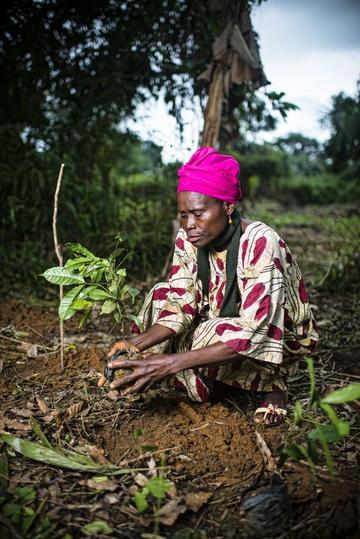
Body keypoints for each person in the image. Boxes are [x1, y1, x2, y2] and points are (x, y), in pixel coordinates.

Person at [99, 147, 318, 425]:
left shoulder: (260, 241)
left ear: (228, 206)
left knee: (206, 334)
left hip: (276, 337)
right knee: (160, 295)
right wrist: (134, 344)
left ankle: (271, 385)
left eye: (199, 213)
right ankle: (211, 377)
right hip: (219, 322)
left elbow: (257, 330)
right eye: (183, 215)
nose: (189, 224)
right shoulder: (189, 238)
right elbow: (179, 303)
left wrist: (169, 362)